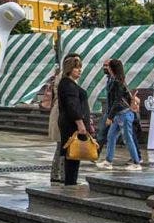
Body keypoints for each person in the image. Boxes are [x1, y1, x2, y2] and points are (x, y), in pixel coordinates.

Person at [96, 59, 142, 171]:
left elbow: (116, 101)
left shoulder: (117, 82)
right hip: (118, 115)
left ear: (112, 68)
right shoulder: (115, 80)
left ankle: (136, 163)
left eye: (108, 66)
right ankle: (108, 161)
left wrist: (110, 117)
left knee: (127, 138)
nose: (106, 68)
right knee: (111, 136)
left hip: (123, 114)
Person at [57, 53, 93, 186]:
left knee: (74, 154)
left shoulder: (69, 83)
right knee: (73, 153)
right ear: (69, 69)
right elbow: (72, 106)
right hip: (72, 124)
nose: (79, 70)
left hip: (71, 123)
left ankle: (71, 181)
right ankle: (70, 183)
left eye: (80, 68)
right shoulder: (68, 84)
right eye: (76, 68)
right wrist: (80, 123)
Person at [95, 59, 116, 153]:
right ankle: (95, 154)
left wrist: (111, 115)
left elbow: (117, 98)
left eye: (107, 65)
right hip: (109, 110)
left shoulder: (116, 79)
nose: (104, 67)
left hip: (114, 111)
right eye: (104, 65)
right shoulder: (109, 79)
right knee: (102, 133)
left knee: (126, 137)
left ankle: (136, 158)